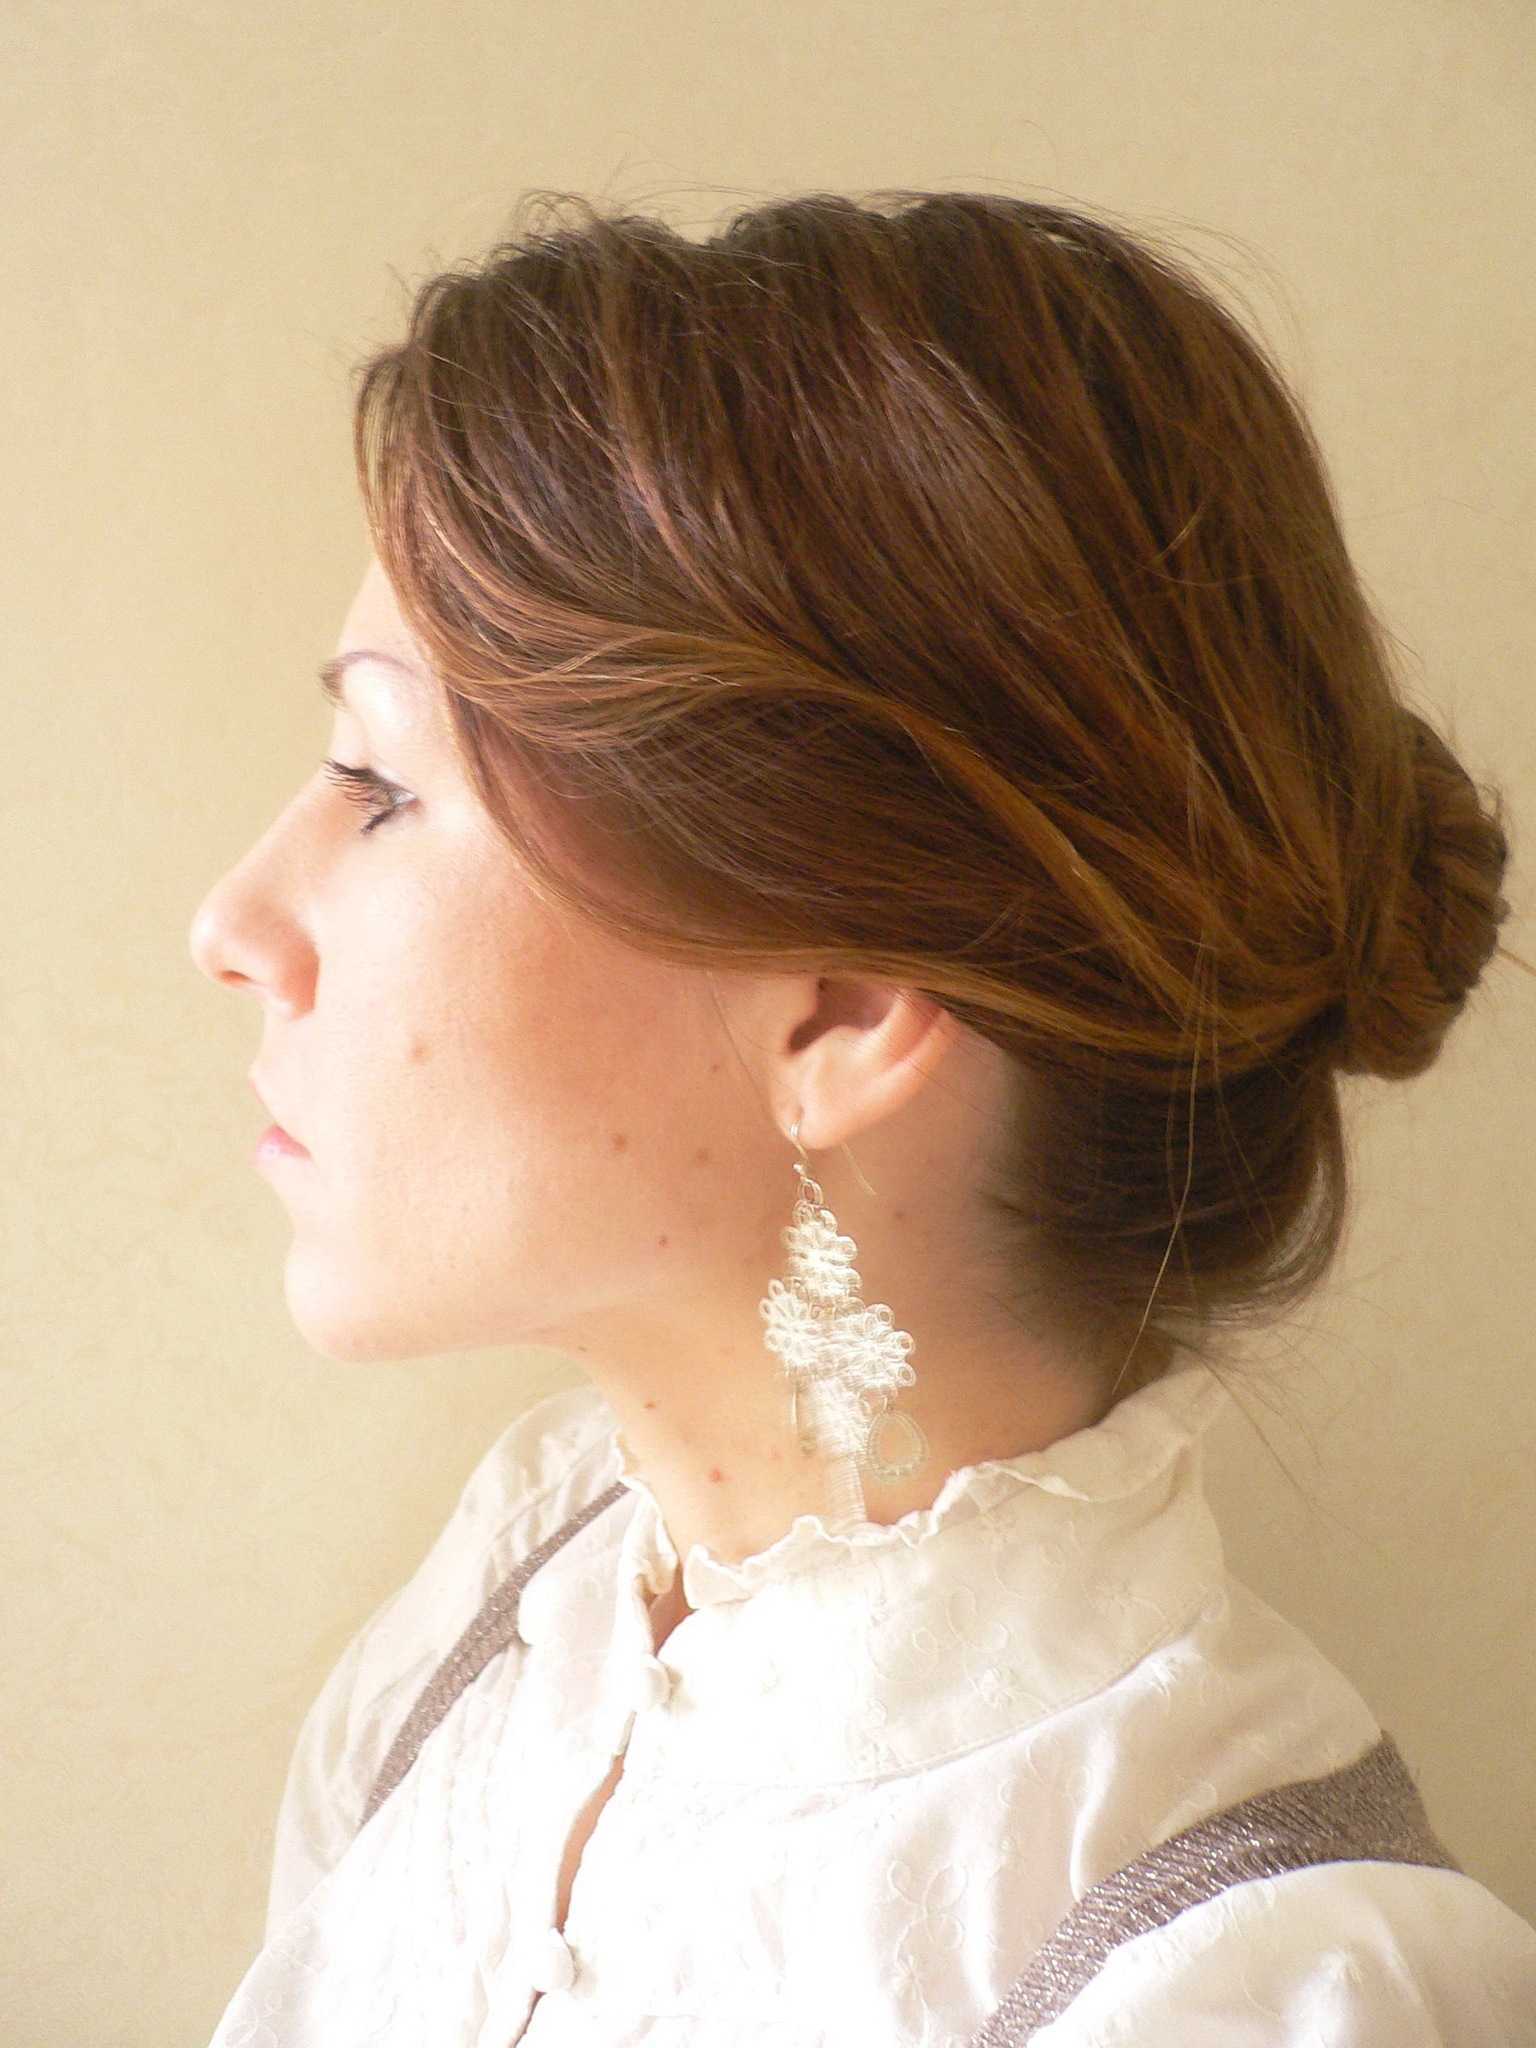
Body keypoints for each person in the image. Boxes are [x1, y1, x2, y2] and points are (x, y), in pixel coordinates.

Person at [190, 192, 1536, 2044]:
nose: (234, 924)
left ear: (842, 1009)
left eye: (378, 783)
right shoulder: (523, 1594)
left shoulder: (1250, 1991)